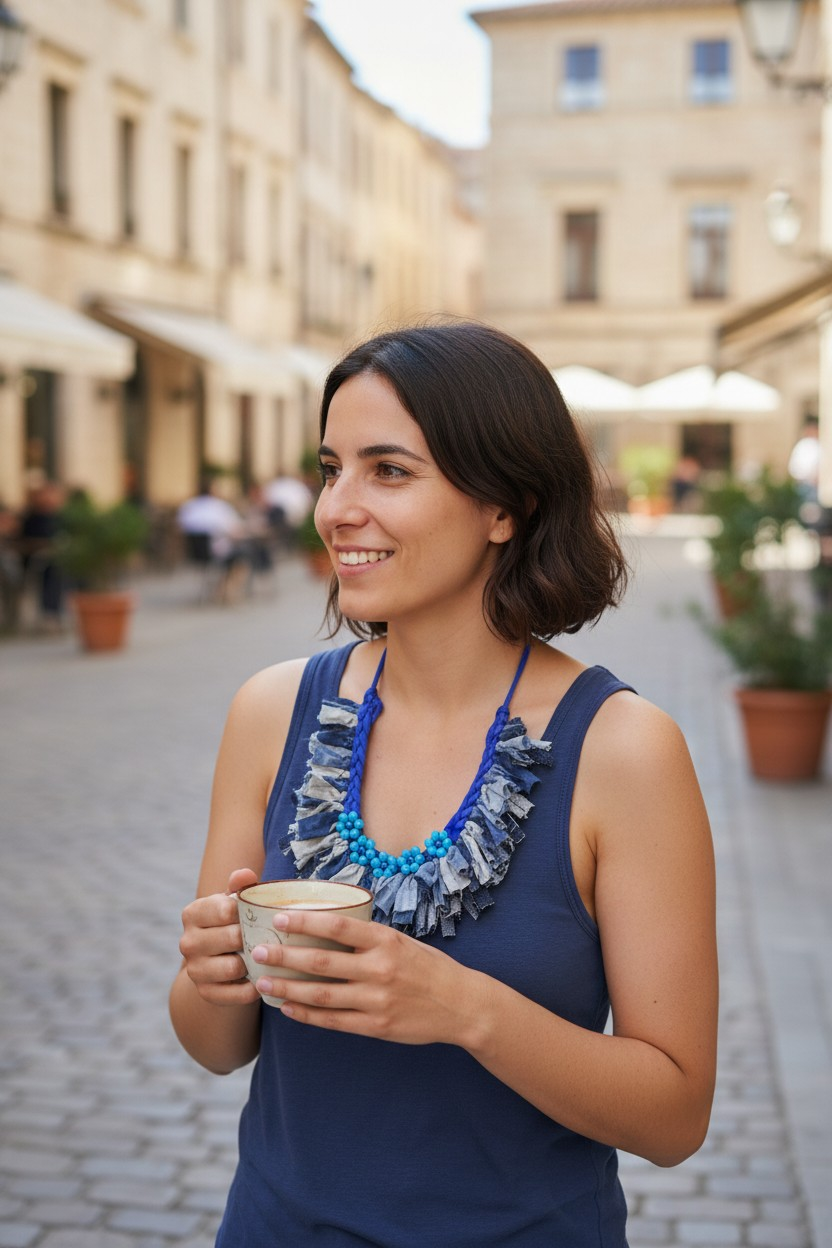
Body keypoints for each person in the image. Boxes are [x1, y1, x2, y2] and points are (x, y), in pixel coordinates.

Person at [170, 323, 718, 1247]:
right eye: (330, 466)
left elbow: (673, 1117)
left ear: (505, 505)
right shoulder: (271, 712)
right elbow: (216, 1047)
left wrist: (465, 1010)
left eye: (389, 471)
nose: (337, 508)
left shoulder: (624, 751)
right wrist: (212, 976)